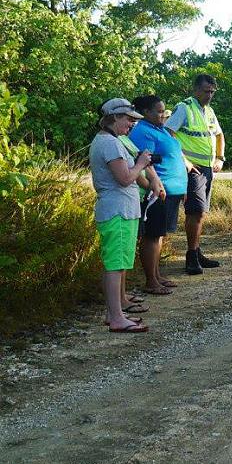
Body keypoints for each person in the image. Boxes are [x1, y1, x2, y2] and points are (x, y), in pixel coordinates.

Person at [90, 99, 158, 333]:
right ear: (114, 118)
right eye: (128, 119)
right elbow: (125, 178)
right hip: (116, 210)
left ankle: (114, 313)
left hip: (123, 210)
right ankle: (117, 317)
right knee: (114, 264)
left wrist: (148, 179)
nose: (131, 124)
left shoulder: (113, 141)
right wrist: (140, 163)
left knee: (118, 264)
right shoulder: (109, 143)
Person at [130, 95, 191, 295]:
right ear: (145, 112)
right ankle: (150, 281)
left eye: (163, 110)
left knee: (160, 235)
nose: (162, 114)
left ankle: (157, 275)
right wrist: (155, 184)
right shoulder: (142, 132)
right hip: (157, 192)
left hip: (171, 191)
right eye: (157, 111)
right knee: (152, 235)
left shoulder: (160, 129)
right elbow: (145, 161)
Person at [166, 73, 224, 275]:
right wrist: (184, 160)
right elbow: (168, 133)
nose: (210, 95)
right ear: (196, 90)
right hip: (193, 169)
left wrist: (220, 158)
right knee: (195, 211)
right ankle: (191, 255)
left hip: (207, 168)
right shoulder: (184, 108)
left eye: (213, 92)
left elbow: (219, 134)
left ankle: (196, 251)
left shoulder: (208, 111)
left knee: (200, 212)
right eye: (207, 91)